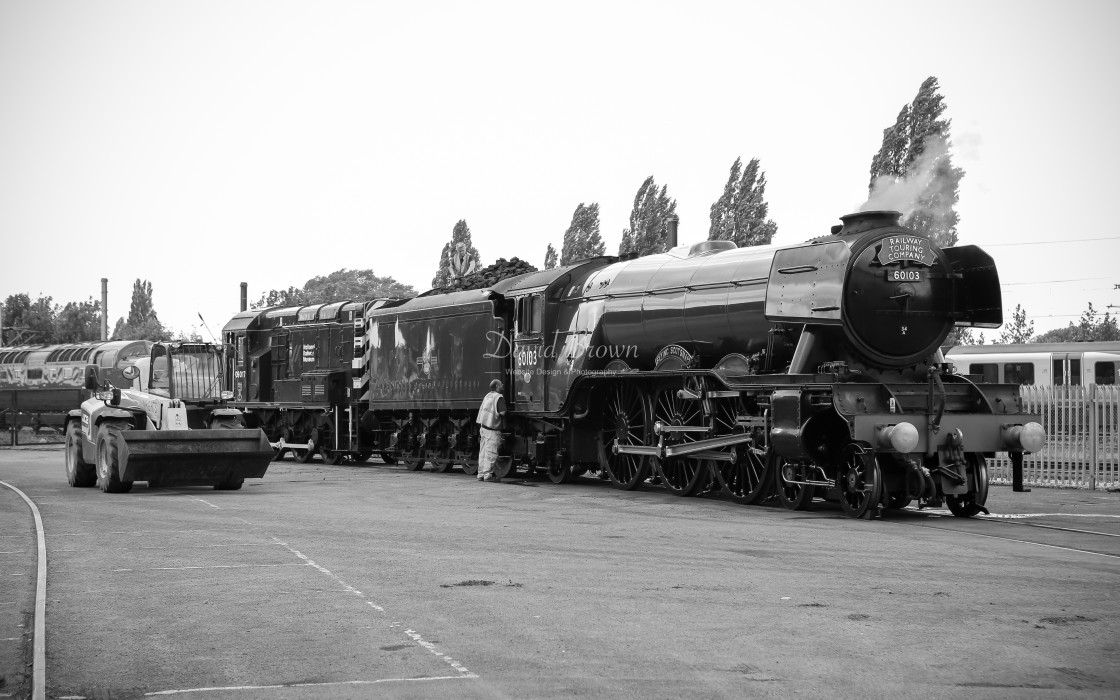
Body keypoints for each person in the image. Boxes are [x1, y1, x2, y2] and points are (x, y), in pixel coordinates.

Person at [476, 379, 506, 482]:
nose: (503, 385)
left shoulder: (488, 395)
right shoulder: (499, 397)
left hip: (483, 427)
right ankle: (488, 475)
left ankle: (481, 474)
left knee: (483, 452)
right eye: (501, 384)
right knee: (491, 452)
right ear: (497, 386)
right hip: (492, 428)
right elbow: (502, 413)